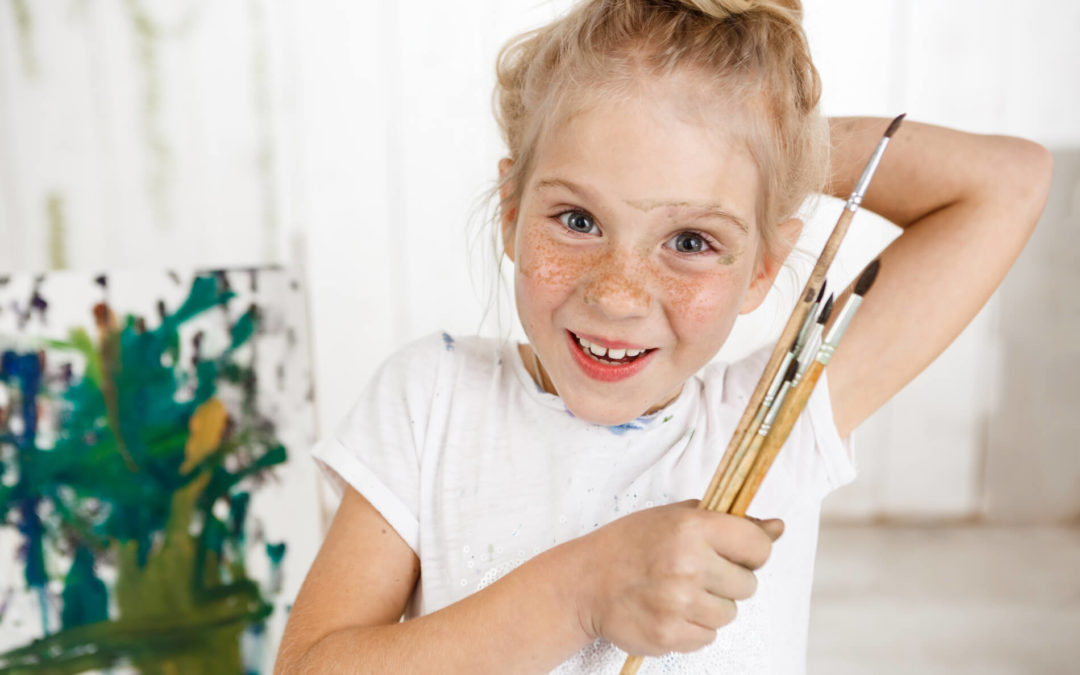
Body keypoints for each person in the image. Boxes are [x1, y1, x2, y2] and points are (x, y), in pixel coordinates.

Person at [275, 1, 1051, 672]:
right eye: (577, 220)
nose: (617, 294)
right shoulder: (429, 401)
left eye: (691, 239)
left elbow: (1009, 182)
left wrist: (762, 144)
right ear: (510, 211)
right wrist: (579, 592)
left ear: (763, 267)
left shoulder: (776, 419)